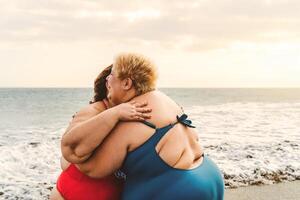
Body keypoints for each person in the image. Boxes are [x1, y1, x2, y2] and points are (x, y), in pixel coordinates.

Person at [62, 53, 224, 200]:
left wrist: (113, 114)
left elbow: (93, 168)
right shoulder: (163, 99)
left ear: (126, 83)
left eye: (111, 75)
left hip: (179, 190)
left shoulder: (136, 113)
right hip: (209, 177)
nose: (107, 80)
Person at [50, 64, 153, 200]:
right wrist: (115, 113)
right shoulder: (93, 111)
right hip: (71, 192)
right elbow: (68, 156)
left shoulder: (131, 114)